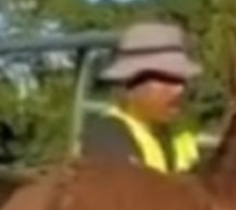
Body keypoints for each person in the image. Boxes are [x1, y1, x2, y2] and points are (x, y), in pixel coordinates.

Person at [81, 20, 202, 173]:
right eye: (165, 78)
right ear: (129, 84)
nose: (179, 89)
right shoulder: (106, 136)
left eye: (182, 79)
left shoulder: (182, 133)